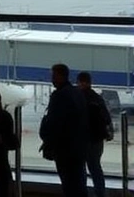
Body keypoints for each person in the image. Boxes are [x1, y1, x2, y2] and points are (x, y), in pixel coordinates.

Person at [39, 63, 89, 197]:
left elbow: (55, 122)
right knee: (78, 183)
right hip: (78, 147)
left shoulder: (59, 96)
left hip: (64, 149)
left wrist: (48, 140)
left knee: (69, 184)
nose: (52, 79)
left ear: (61, 76)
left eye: (54, 76)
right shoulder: (77, 93)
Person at [77, 71, 113, 197]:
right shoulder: (97, 98)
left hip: (82, 139)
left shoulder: (77, 98)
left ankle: (82, 192)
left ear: (79, 82)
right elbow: (107, 118)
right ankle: (100, 193)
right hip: (97, 139)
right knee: (95, 168)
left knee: (80, 169)